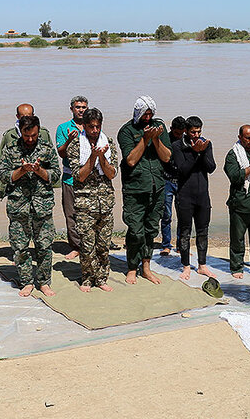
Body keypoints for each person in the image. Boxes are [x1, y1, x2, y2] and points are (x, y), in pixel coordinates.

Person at [0, 115, 61, 297]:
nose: (30, 139)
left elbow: (56, 175)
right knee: (20, 247)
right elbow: (3, 176)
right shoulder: (11, 150)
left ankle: (43, 282)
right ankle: (26, 282)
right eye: (27, 136)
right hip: (19, 206)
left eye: (33, 135)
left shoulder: (47, 149)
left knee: (44, 246)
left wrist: (40, 170)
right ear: (21, 132)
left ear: (38, 130)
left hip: (43, 205)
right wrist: (22, 170)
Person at [117, 95, 173, 285]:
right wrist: (145, 139)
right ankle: (132, 267)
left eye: (150, 114)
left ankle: (146, 267)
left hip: (157, 187)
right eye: (145, 114)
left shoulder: (160, 127)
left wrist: (155, 139)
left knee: (150, 230)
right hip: (135, 189)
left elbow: (166, 158)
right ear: (138, 113)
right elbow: (131, 160)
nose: (148, 118)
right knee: (135, 231)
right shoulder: (126, 131)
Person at [66, 108, 119, 292]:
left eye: (98, 127)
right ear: (85, 126)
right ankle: (87, 279)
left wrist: (102, 156)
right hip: (84, 204)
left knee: (103, 245)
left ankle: (102, 278)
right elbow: (79, 177)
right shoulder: (75, 145)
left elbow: (112, 173)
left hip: (105, 203)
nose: (95, 131)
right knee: (87, 246)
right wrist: (92, 157)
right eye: (91, 127)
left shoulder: (109, 143)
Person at [171, 116, 216, 280]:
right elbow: (183, 170)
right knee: (185, 232)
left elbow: (211, 167)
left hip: (203, 196)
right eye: (193, 132)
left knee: (203, 231)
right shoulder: (178, 146)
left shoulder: (206, 144)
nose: (196, 135)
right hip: (185, 196)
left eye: (198, 132)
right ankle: (186, 266)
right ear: (186, 131)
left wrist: (202, 151)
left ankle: (202, 265)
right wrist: (195, 153)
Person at [224, 124, 250, 279]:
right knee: (237, 239)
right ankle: (236, 267)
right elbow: (234, 176)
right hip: (240, 203)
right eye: (248, 137)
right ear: (240, 137)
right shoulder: (233, 154)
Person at [0, 104, 54, 198]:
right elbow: (1, 162)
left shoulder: (43, 133)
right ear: (18, 117)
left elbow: (52, 162)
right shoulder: (9, 135)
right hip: (17, 193)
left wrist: (54, 183)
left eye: (29, 116)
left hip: (41, 195)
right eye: (23, 117)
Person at [56, 95, 89, 259]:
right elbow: (61, 153)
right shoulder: (63, 127)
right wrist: (69, 140)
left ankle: (89, 245)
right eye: (78, 107)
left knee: (89, 212)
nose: (81, 110)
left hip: (89, 177)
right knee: (71, 213)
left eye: (84, 107)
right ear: (72, 109)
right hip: (70, 178)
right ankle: (76, 246)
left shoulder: (92, 126)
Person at [159, 116, 187, 256]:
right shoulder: (165, 140)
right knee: (166, 215)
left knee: (182, 215)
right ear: (171, 130)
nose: (179, 136)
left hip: (182, 182)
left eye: (181, 133)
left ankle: (181, 245)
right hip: (167, 180)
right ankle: (166, 245)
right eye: (177, 133)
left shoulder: (186, 141)